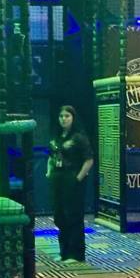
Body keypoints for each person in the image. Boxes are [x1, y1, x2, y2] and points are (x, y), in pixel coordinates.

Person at [47, 105, 94, 264]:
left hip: (72, 177)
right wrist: (49, 172)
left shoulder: (79, 137)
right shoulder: (57, 136)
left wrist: (77, 179)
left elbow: (89, 160)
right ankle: (64, 252)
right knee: (60, 216)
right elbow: (51, 156)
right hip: (57, 178)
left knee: (73, 215)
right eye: (61, 116)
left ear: (73, 118)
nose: (63, 119)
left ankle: (76, 254)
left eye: (67, 116)